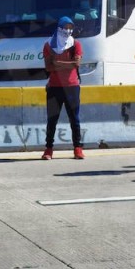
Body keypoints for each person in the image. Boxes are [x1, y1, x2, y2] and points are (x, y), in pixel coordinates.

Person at [41, 16, 85, 161]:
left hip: (72, 87)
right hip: (54, 87)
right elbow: (48, 67)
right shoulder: (48, 45)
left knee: (75, 119)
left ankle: (77, 148)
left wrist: (57, 63)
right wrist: (68, 63)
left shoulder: (76, 44)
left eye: (70, 27)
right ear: (58, 28)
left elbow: (76, 65)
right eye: (64, 27)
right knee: (52, 119)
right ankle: (48, 150)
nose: (67, 31)